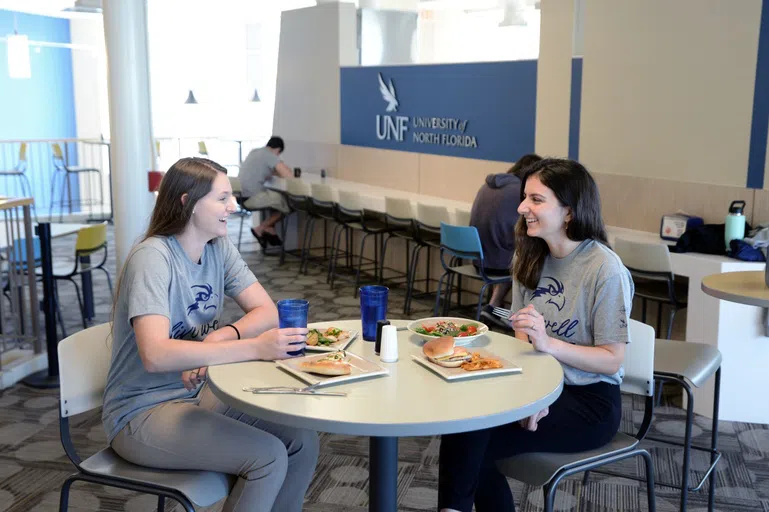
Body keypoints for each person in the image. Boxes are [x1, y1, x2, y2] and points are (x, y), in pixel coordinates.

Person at [102, 157, 318, 512]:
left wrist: (221, 336)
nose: (233, 207)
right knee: (267, 459)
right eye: (222, 198)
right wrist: (252, 348)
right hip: (141, 412)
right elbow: (154, 354)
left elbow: (266, 311)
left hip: (198, 394)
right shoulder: (153, 258)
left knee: (301, 441)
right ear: (187, 202)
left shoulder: (217, 248)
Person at [438, 158, 634, 512]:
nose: (521, 207)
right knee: (465, 423)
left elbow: (613, 360)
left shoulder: (605, 269)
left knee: (471, 440)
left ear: (569, 212)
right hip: (542, 385)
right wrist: (534, 394)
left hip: (590, 402)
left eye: (536, 199)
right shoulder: (528, 256)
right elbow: (522, 336)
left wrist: (549, 346)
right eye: (525, 197)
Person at [470, 153, 542, 327]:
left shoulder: (486, 186)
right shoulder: (518, 192)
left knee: (511, 253)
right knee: (529, 259)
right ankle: (521, 318)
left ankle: (494, 306)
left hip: (477, 259)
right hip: (498, 263)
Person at [239, 136, 294, 248]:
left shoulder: (254, 152)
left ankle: (270, 228)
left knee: (276, 202)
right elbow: (288, 175)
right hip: (252, 198)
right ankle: (261, 228)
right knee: (289, 204)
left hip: (240, 197)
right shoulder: (270, 155)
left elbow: (263, 171)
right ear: (278, 150)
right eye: (278, 154)